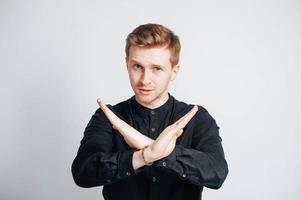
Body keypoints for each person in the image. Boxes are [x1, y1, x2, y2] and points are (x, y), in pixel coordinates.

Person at [71, 23, 228, 200]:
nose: (145, 80)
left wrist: (166, 153)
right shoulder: (108, 116)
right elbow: (82, 172)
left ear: (174, 71)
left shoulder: (197, 118)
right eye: (137, 66)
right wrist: (145, 156)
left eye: (157, 69)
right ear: (127, 65)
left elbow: (217, 173)